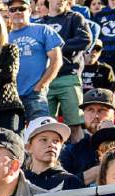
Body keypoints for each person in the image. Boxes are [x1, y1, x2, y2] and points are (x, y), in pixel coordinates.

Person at [40, 0, 92, 138]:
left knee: (75, 124)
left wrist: (56, 46)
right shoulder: (40, 23)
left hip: (69, 76)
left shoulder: (75, 17)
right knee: (46, 126)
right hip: (45, 79)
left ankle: (81, 158)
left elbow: (86, 39)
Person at [7, 0, 63, 123]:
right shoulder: (5, 36)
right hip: (10, 96)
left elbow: (57, 60)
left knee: (39, 131)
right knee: (14, 137)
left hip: (35, 94)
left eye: (21, 8)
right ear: (8, 13)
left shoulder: (43, 30)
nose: (17, 12)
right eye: (13, 9)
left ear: (30, 11)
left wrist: (41, 85)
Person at [61, 88, 115, 184]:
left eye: (102, 110)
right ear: (83, 114)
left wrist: (109, 135)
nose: (96, 115)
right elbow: (61, 186)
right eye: (90, 110)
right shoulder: (71, 151)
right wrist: (93, 173)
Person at [22, 115, 85, 189]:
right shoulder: (18, 182)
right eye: (44, 140)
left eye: (56, 141)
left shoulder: (71, 182)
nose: (51, 145)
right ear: (28, 147)